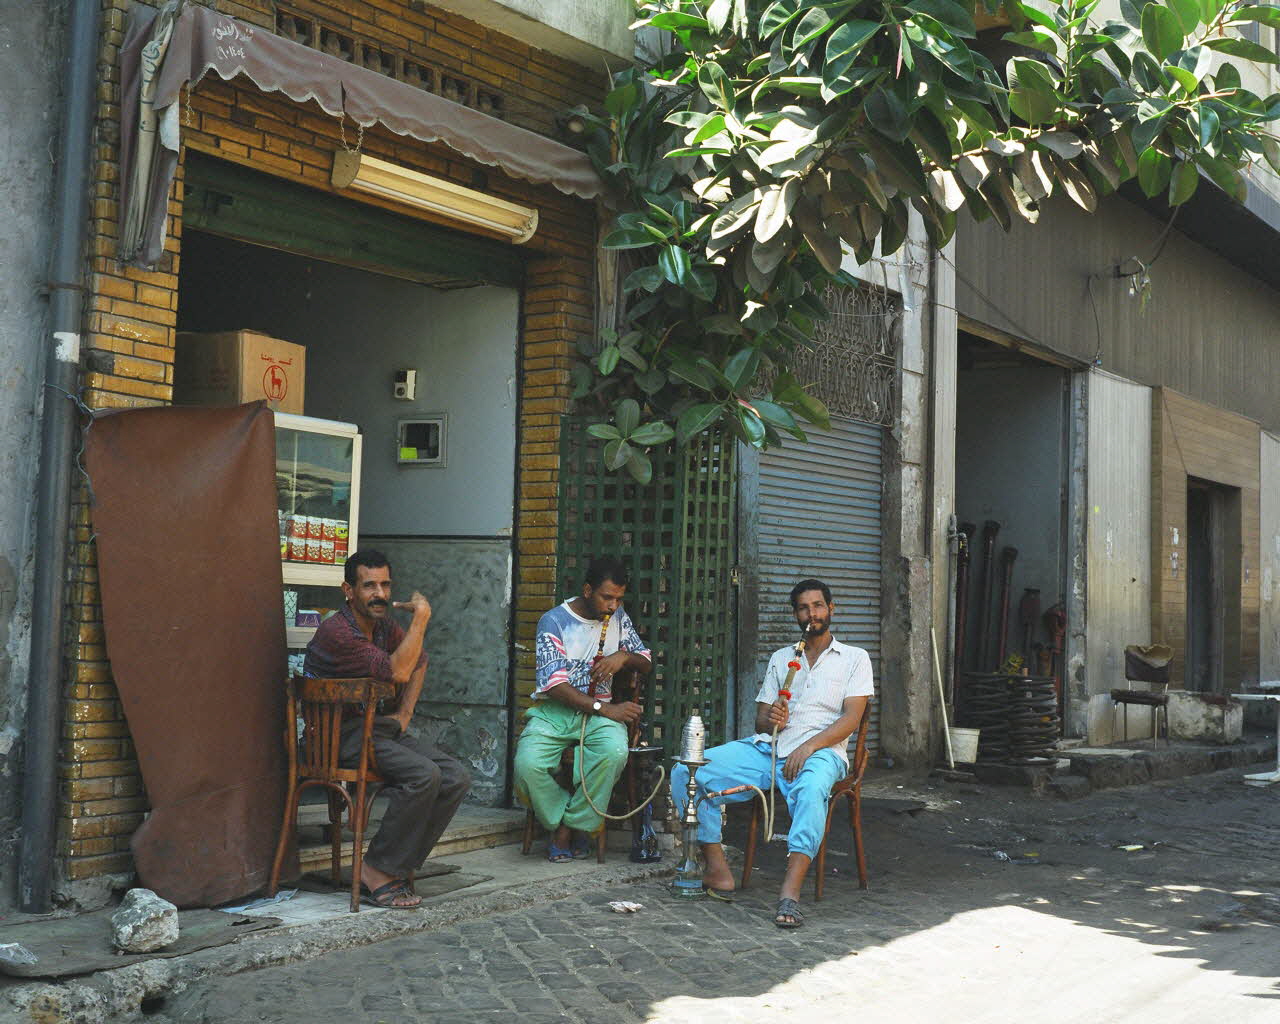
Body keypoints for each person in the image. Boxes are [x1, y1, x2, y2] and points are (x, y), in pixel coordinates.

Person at [670, 579, 873, 928]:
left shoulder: (855, 659)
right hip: (769, 750)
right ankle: (718, 870)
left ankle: (789, 893)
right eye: (804, 608)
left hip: (821, 752)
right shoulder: (783, 658)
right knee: (686, 771)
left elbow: (852, 719)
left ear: (831, 609)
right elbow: (761, 721)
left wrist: (809, 746)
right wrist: (772, 717)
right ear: (796, 614)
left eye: (818, 606)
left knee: (811, 792)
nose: (812, 614)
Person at [303, 549, 470, 909]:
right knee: (424, 775)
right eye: (369, 586)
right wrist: (421, 619)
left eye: (385, 584)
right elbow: (397, 672)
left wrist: (405, 713)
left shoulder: (381, 627)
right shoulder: (339, 632)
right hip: (336, 737)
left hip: (375, 729)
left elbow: (418, 660)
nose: (379, 594)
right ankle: (377, 869)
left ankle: (396, 865)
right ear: (348, 590)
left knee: (454, 776)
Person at [513, 557, 651, 862]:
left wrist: (624, 657)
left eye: (618, 598)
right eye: (607, 597)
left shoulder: (617, 618)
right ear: (588, 590)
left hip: (599, 714)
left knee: (614, 753)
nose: (613, 605)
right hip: (555, 711)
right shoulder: (554, 621)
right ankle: (564, 821)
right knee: (526, 765)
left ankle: (572, 827)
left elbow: (646, 661)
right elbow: (554, 686)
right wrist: (605, 708)